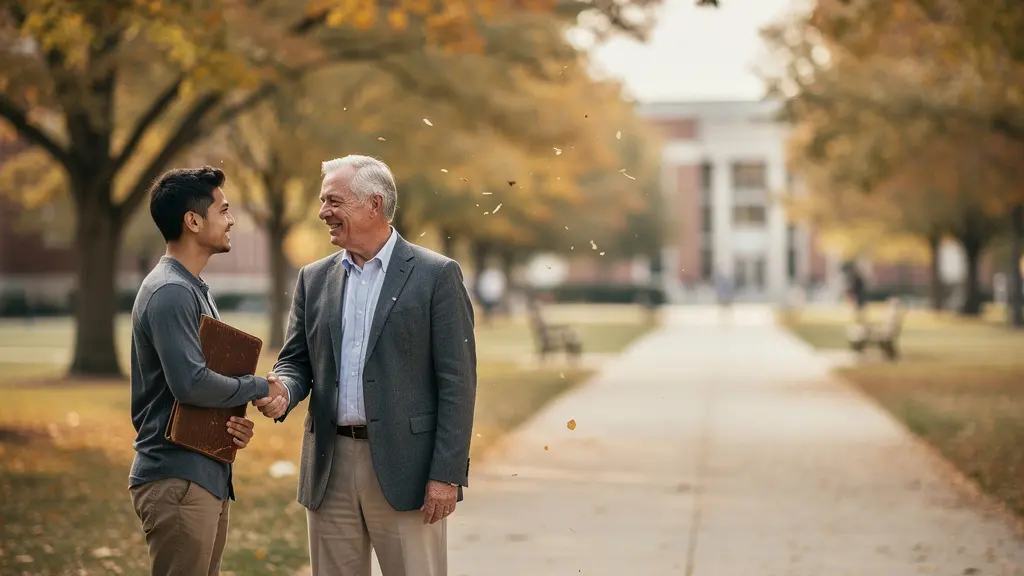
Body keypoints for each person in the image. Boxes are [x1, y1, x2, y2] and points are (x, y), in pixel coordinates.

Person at [254, 155, 477, 576]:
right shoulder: (313, 279)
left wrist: (446, 474)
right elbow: (296, 361)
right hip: (328, 466)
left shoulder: (436, 275)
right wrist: (283, 388)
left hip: (407, 469)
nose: (323, 213)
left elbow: (458, 383)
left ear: (374, 204)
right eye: (323, 202)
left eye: (334, 201)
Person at [128, 166, 287, 575]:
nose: (232, 220)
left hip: (203, 474)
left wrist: (231, 425)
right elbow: (191, 384)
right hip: (176, 478)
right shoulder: (170, 291)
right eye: (224, 210)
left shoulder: (193, 287)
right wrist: (255, 387)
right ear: (193, 221)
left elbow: (199, 383)